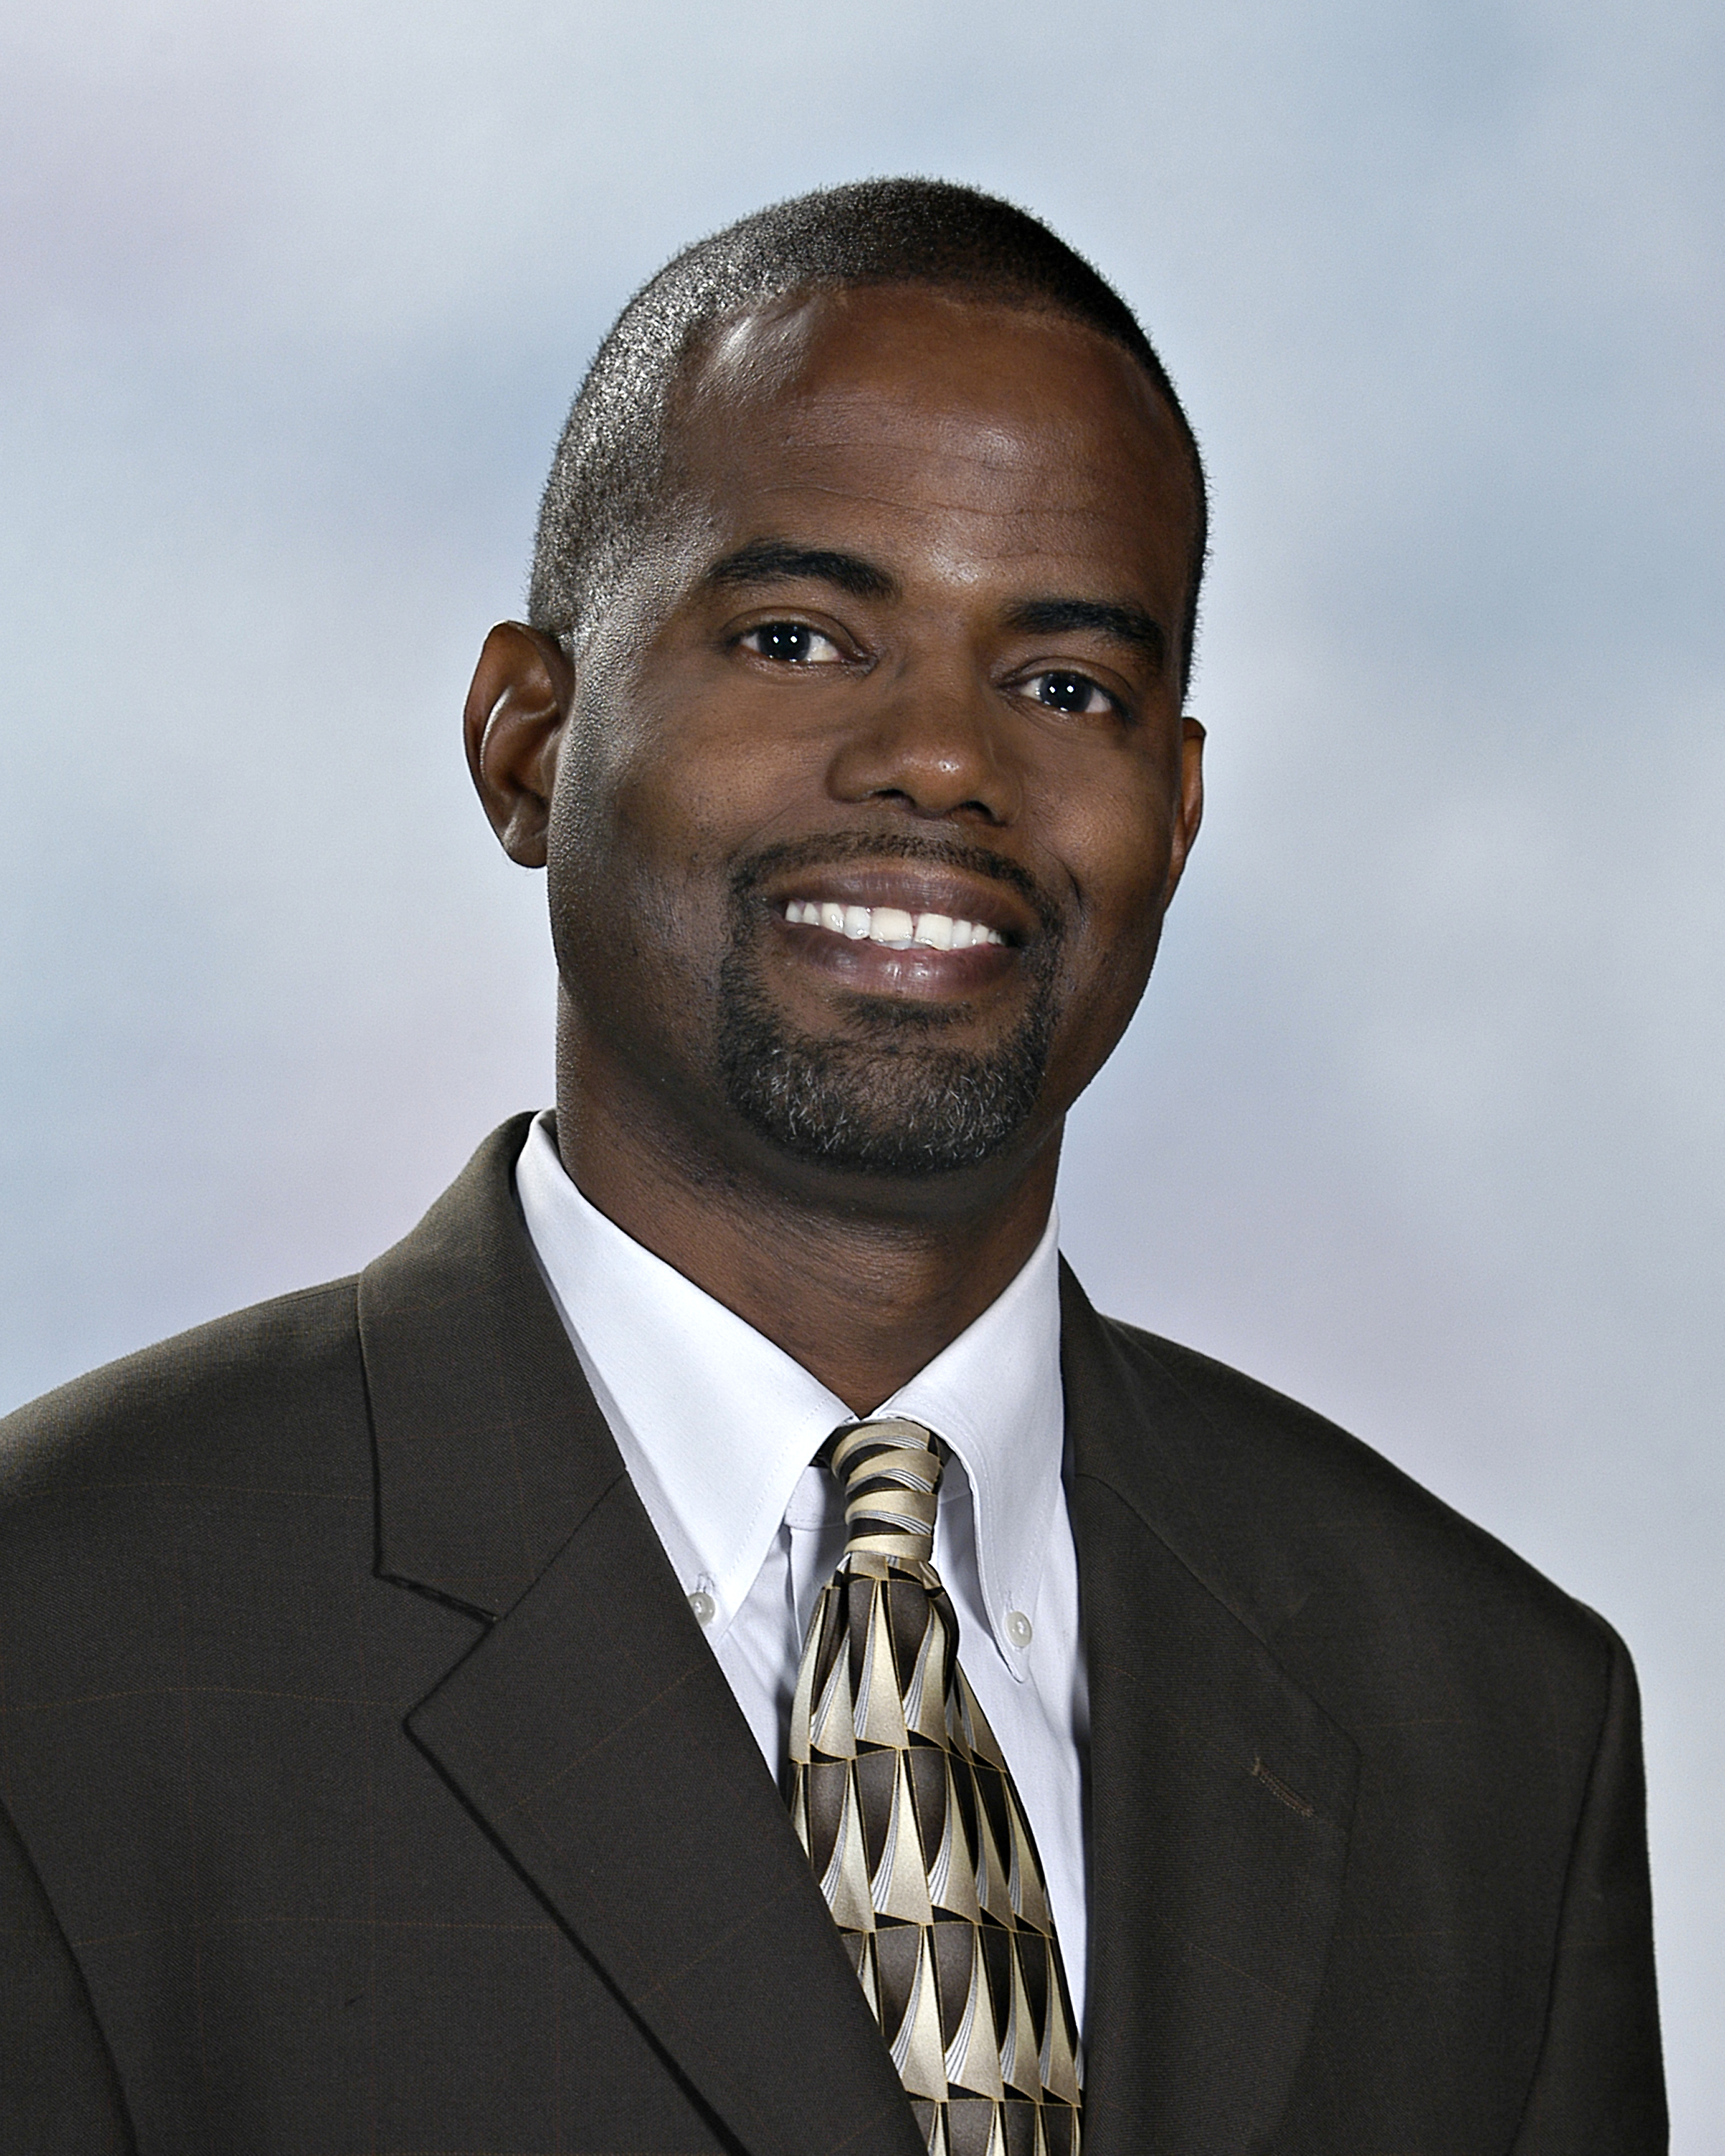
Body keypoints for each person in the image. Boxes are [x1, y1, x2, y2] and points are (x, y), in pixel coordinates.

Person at [0, 180, 1664, 2156]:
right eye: (799, 638)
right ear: (528, 743)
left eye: (1067, 688)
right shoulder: (70, 1643)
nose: (945, 762)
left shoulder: (1489, 1720)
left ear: (1180, 805)